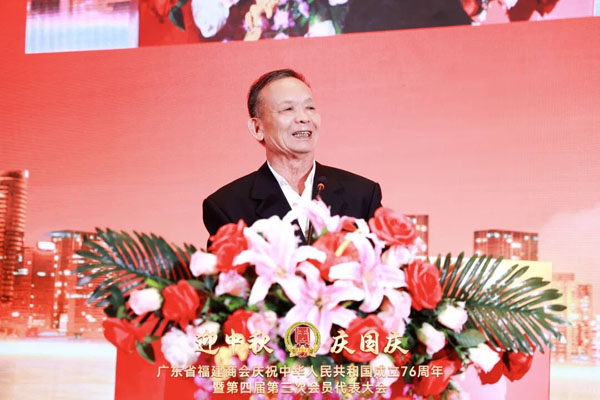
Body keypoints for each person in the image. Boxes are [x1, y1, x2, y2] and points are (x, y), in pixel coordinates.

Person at [202, 69, 382, 244]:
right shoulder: (227, 206)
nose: (304, 118)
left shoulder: (362, 194)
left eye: (310, 108)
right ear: (257, 128)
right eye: (288, 109)